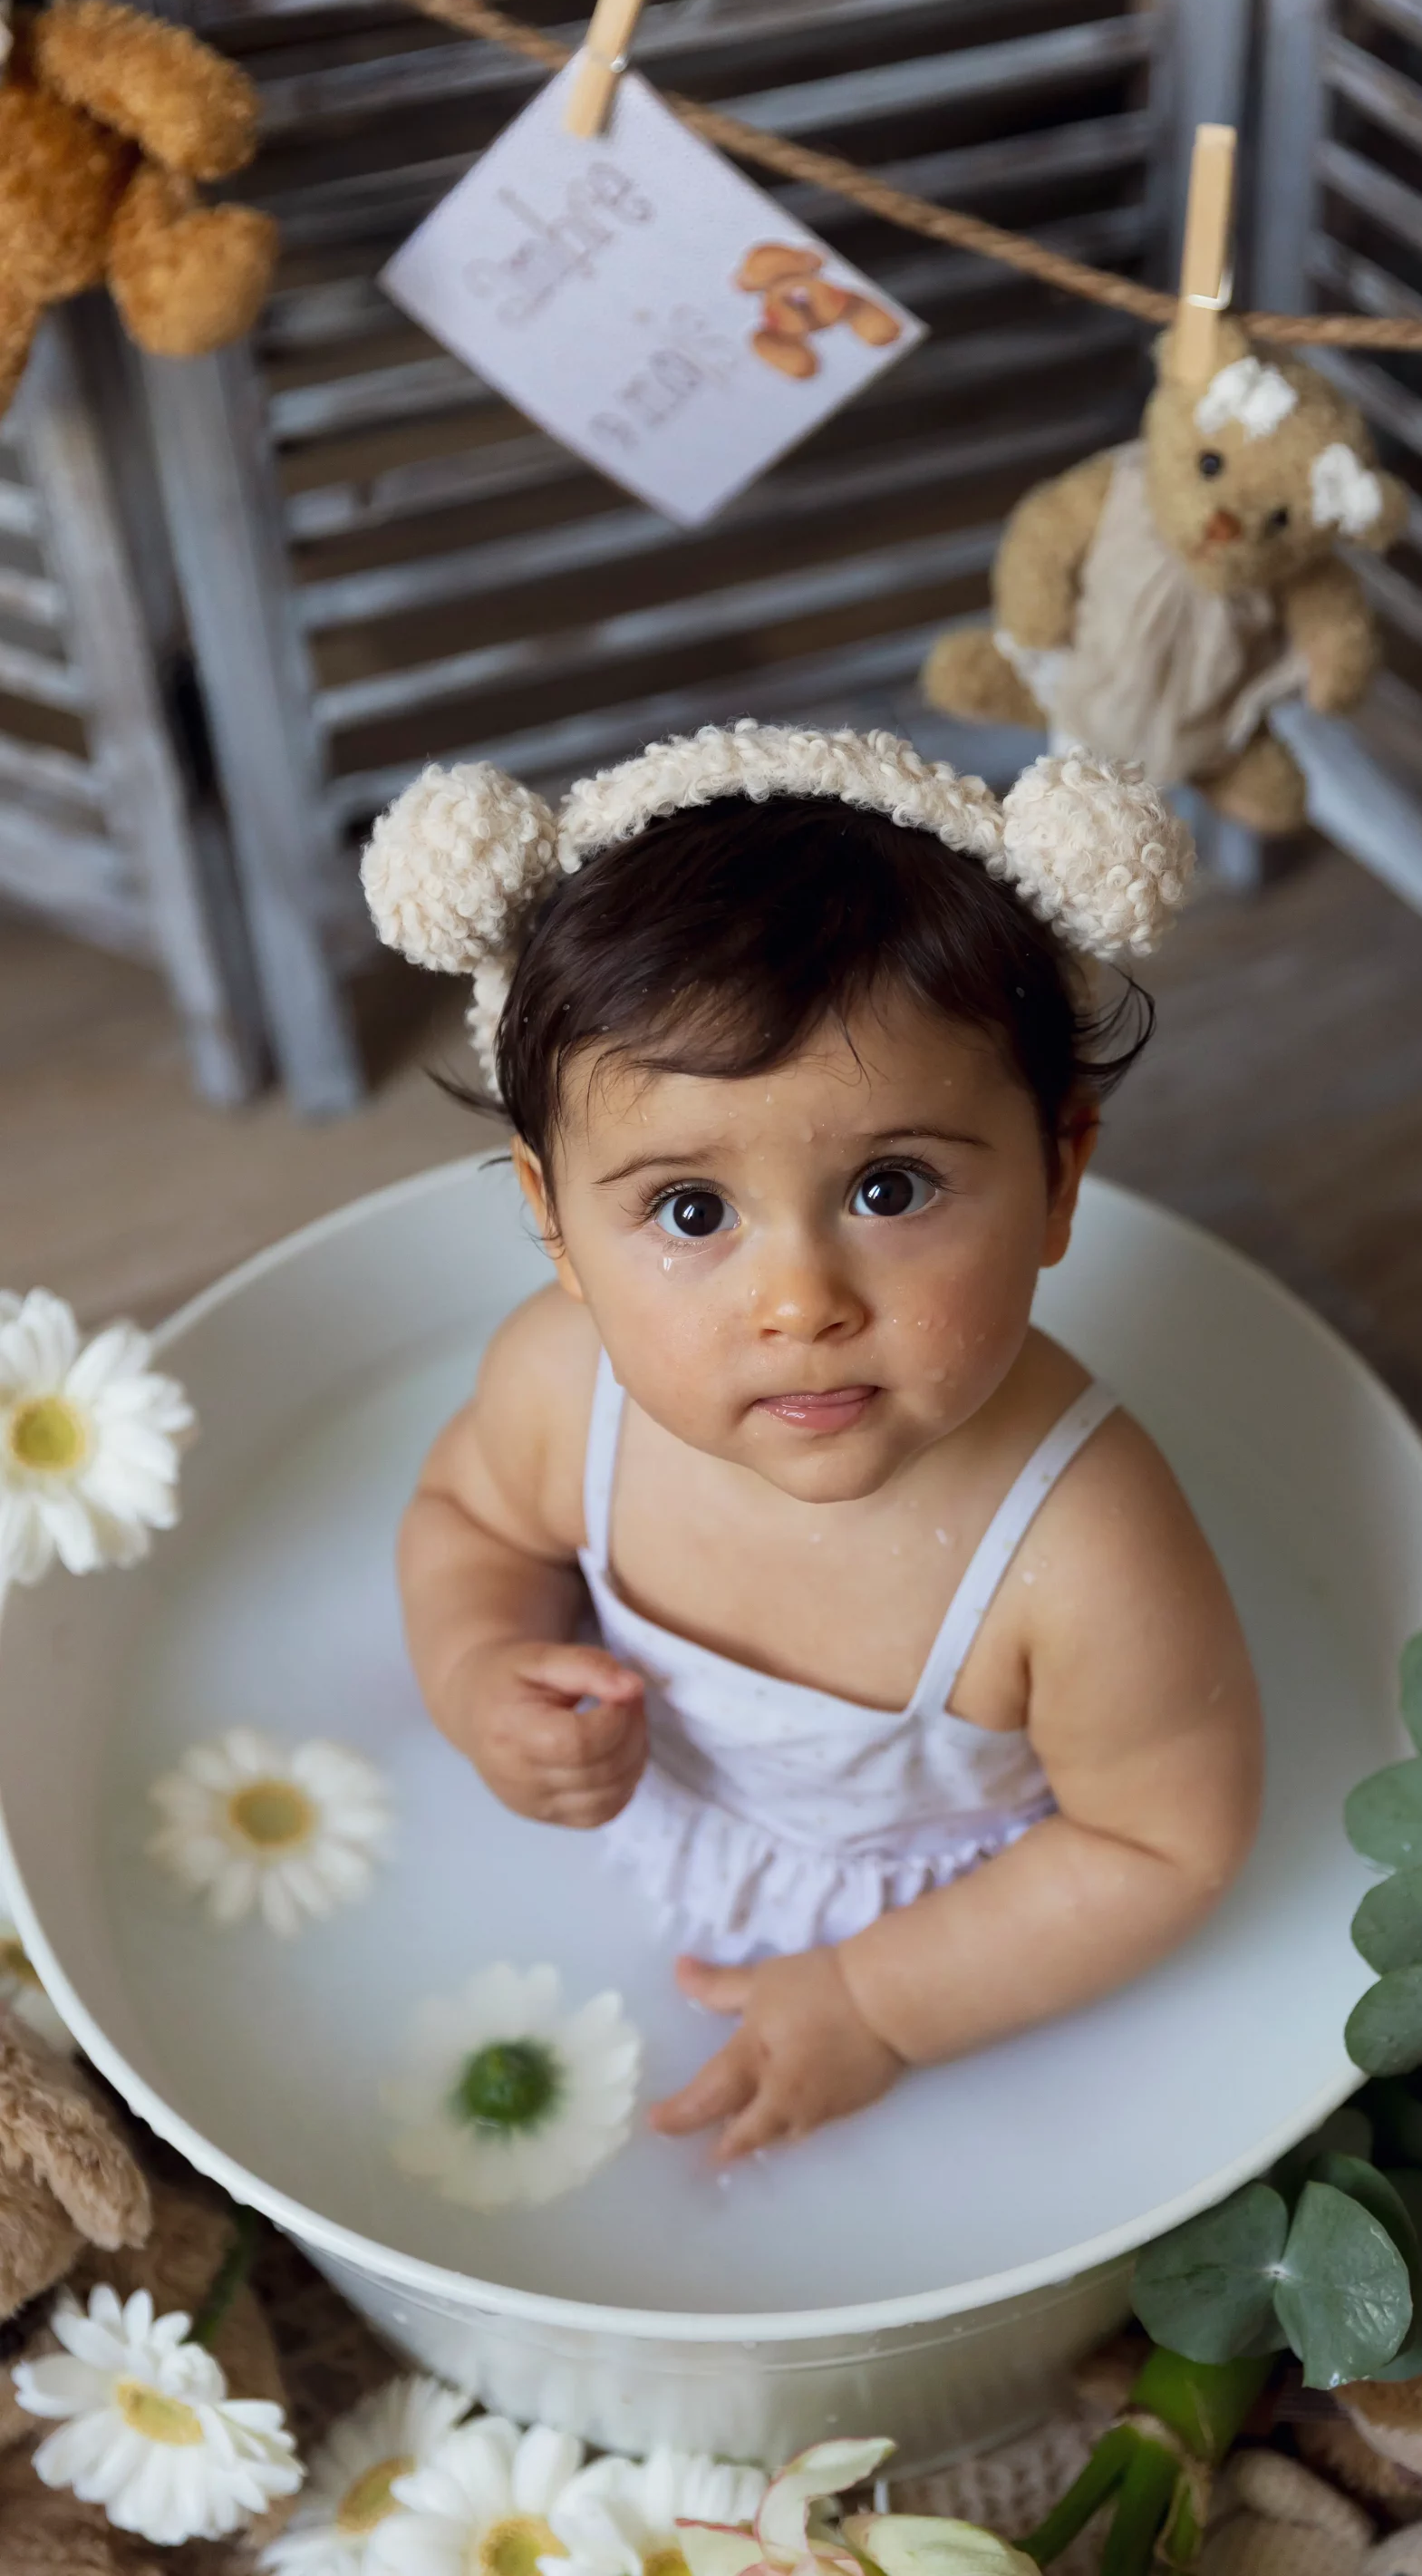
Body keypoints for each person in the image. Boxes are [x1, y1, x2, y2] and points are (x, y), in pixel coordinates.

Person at [363, 724, 1262, 2164]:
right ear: (553, 1221)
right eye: (691, 1213)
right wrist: (479, 1673)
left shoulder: (1079, 1546)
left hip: (966, 1944)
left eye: (891, 1187)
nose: (801, 1306)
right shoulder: (557, 1388)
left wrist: (879, 2001)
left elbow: (1163, 1846)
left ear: (1058, 1177)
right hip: (636, 1856)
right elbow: (468, 1524)